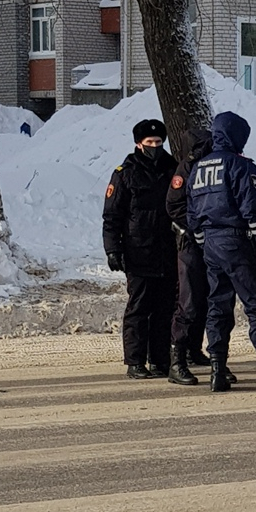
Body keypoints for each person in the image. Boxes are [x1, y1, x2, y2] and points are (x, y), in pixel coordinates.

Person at [187, 111, 256, 393]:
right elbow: (253, 212)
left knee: (217, 307)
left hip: (210, 245)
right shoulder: (240, 166)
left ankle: (217, 372)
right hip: (237, 242)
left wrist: (205, 244)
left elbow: (192, 217)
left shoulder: (198, 168)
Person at [103, 118, 178, 380]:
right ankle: (135, 362)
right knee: (139, 308)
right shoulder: (125, 172)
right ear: (139, 144)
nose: (155, 146)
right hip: (138, 252)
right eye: (150, 143)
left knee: (164, 309)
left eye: (158, 142)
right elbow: (112, 216)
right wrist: (113, 250)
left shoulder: (172, 168)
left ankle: (160, 360)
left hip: (167, 252)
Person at [166, 127, 214, 386]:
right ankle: (177, 362)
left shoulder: (212, 167)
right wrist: (193, 229)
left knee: (206, 300)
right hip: (190, 244)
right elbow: (173, 205)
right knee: (189, 302)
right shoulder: (185, 169)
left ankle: (195, 350)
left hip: (211, 243)